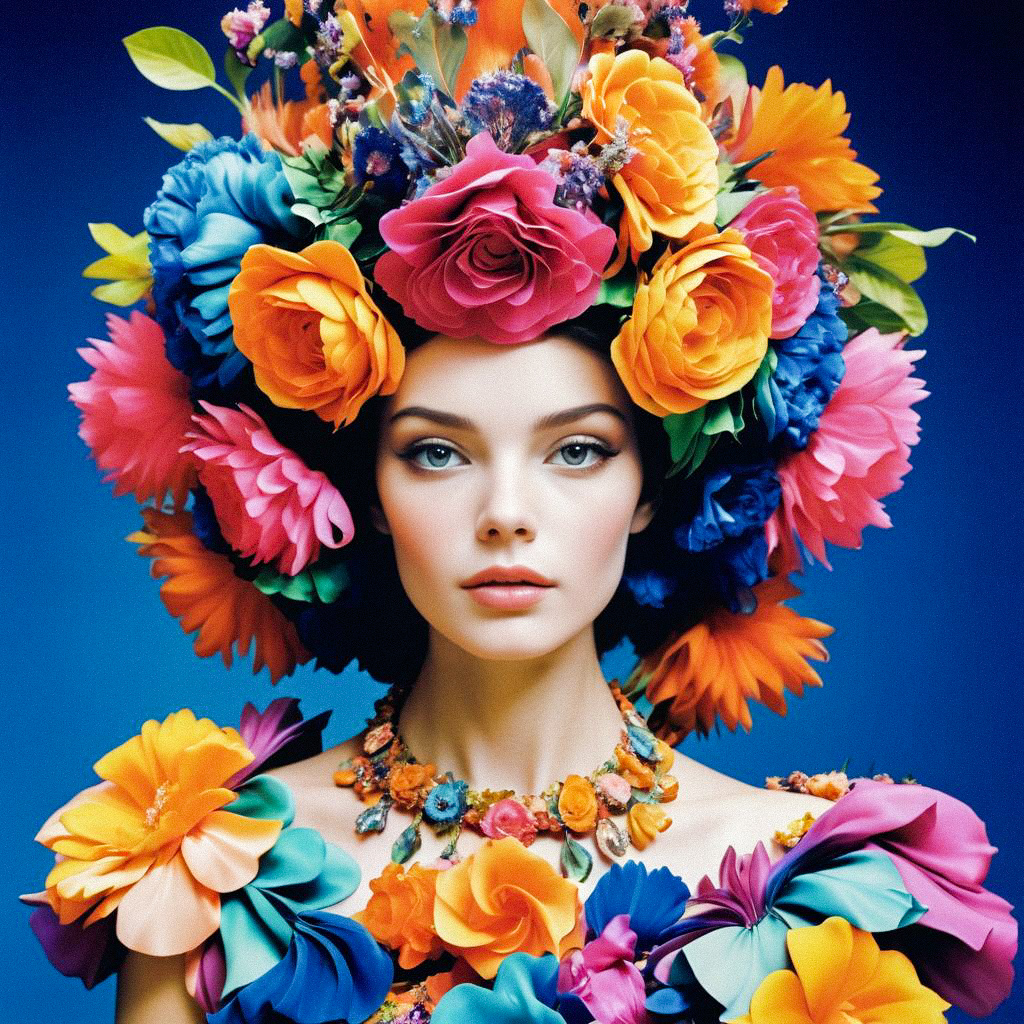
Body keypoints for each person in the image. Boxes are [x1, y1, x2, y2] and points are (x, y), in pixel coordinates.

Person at [25, 1, 1017, 1022]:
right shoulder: (207, 883)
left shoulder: (822, 901)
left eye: (575, 450)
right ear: (364, 492)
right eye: (438, 452)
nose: (505, 512)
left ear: (649, 488)